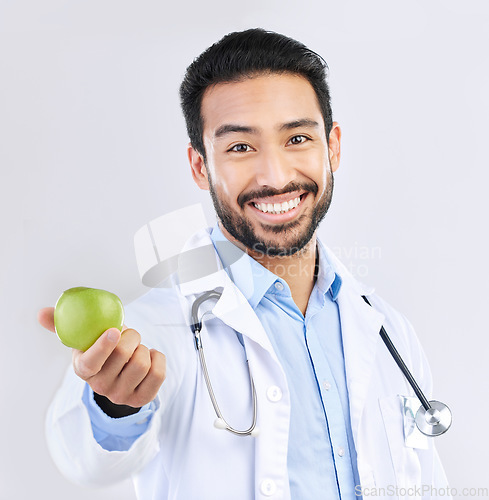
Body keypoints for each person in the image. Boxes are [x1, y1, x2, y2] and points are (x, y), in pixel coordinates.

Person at [39, 28, 451, 500]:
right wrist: (114, 407)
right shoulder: (153, 334)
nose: (276, 177)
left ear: (332, 147)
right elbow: (87, 461)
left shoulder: (387, 333)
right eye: (240, 147)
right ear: (200, 166)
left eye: (297, 138)